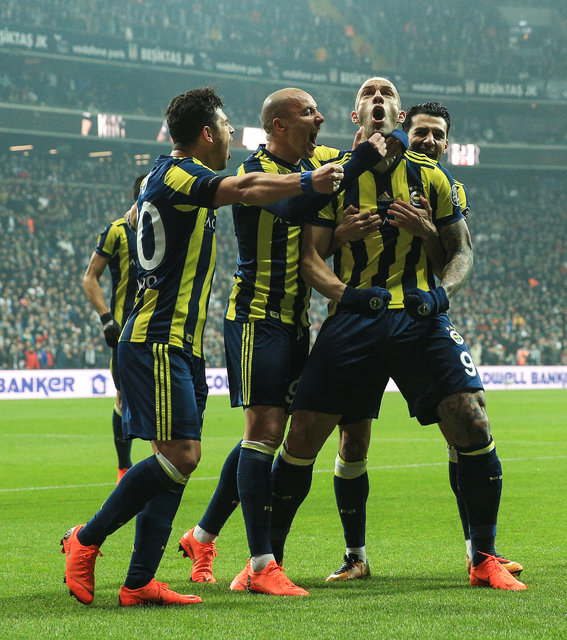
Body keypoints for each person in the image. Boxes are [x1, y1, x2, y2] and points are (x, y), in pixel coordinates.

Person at [60, 86, 345, 607]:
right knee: (181, 457)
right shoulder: (180, 174)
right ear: (208, 134)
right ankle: (86, 538)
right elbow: (247, 188)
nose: (234, 134)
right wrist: (309, 179)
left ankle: (139, 581)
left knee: (176, 462)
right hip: (157, 339)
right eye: (227, 126)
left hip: (183, 344)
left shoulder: (164, 177)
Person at [268, 78, 527, 591]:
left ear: (398, 113)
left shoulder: (433, 176)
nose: (378, 98)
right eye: (369, 93)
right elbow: (309, 258)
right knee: (303, 436)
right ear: (357, 114)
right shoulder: (336, 177)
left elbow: (461, 251)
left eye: (387, 93)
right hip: (354, 318)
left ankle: (484, 558)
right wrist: (348, 294)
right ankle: (268, 563)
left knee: (471, 418)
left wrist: (441, 294)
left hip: (419, 316)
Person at [177, 87, 397, 595]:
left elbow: (379, 147)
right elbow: (297, 205)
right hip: (257, 318)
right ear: (279, 125)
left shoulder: (318, 159)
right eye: (308, 112)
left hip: (298, 323)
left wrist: (380, 131)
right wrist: (354, 165)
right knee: (265, 431)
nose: (320, 119)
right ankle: (262, 564)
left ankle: (202, 535)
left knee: (267, 434)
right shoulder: (255, 170)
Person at [82, 175, 143, 484]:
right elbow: (90, 277)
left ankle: (164, 467)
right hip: (125, 332)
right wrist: (107, 318)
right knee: (123, 396)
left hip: (160, 329)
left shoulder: (169, 230)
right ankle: (124, 468)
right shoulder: (117, 231)